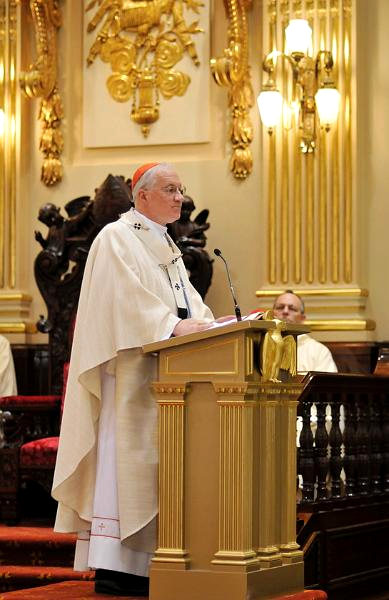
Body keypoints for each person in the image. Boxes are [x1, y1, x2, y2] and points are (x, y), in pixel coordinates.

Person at [51, 163, 220, 597]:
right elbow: (124, 300)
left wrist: (210, 327)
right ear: (141, 195)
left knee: (158, 470)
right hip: (129, 376)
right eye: (170, 189)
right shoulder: (116, 238)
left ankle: (150, 563)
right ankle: (116, 566)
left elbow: (189, 303)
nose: (179, 197)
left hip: (169, 379)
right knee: (125, 463)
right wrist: (169, 326)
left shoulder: (167, 245)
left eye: (181, 189)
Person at [273, 290, 338, 374]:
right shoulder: (259, 346)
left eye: (292, 308)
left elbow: (326, 386)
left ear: (302, 318)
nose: (285, 311)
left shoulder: (319, 351)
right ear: (272, 314)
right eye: (280, 307)